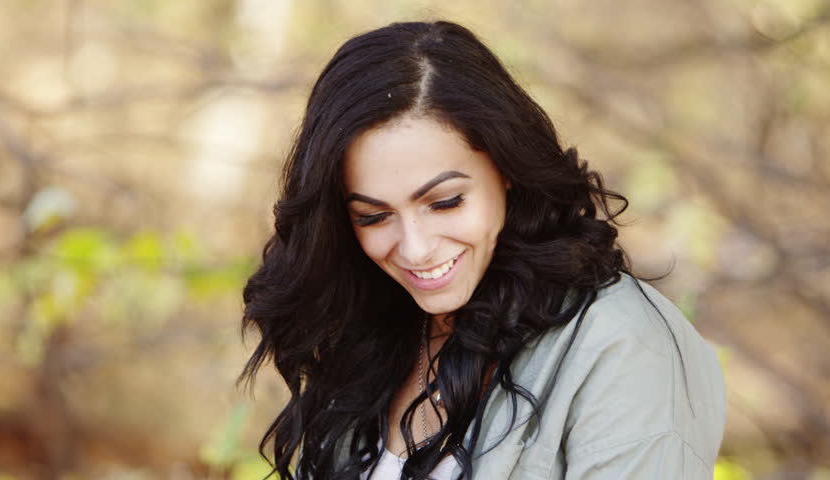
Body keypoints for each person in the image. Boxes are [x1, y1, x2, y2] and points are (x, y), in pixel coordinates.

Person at [238, 20, 726, 480]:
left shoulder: (621, 346)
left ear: (506, 167)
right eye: (374, 216)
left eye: (445, 202)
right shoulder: (377, 329)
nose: (415, 248)